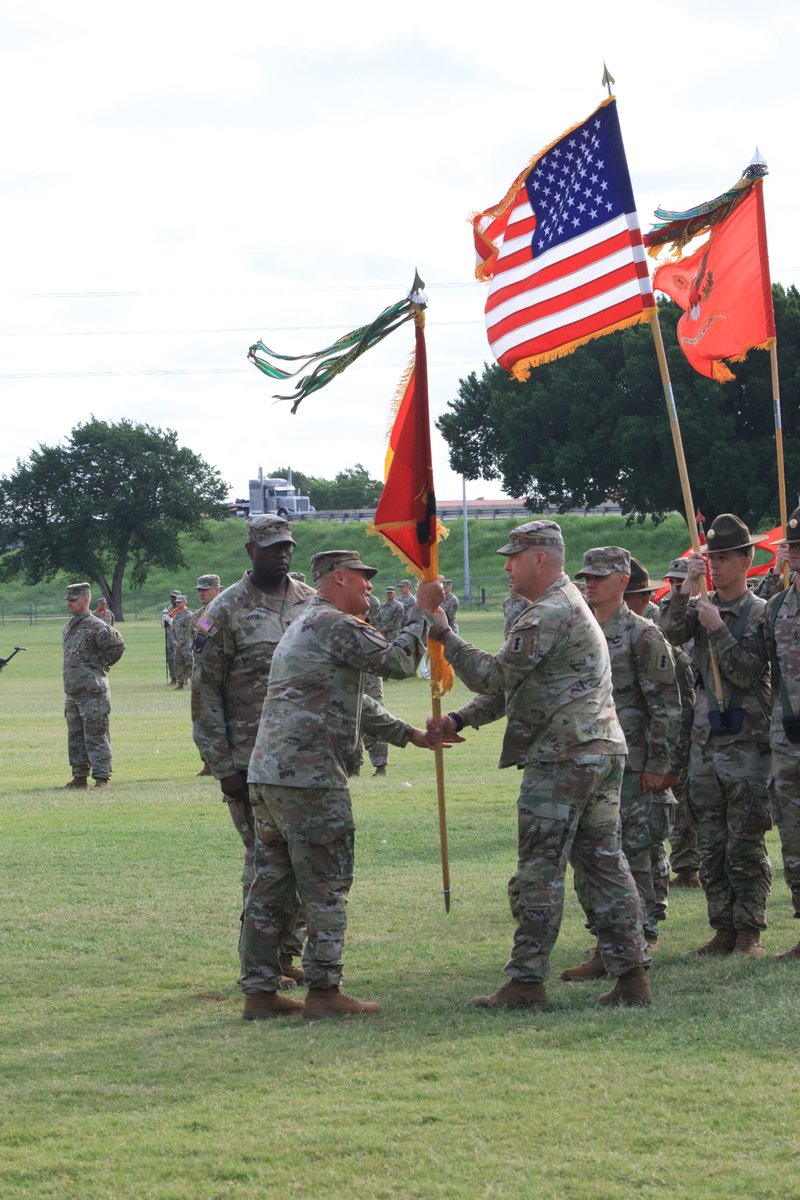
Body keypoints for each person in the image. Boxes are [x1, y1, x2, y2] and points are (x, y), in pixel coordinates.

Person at [427, 521, 652, 1009]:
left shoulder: (548, 612)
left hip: (563, 759)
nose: (506, 566)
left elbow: (494, 673)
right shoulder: (568, 606)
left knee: (540, 870)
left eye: (514, 556)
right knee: (604, 866)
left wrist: (444, 632)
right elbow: (519, 688)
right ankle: (632, 979)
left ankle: (527, 982)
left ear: (540, 559)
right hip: (596, 752)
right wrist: (462, 717)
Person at [239, 551, 445, 1020]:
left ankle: (260, 992)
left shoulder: (306, 625)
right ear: (339, 579)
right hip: (309, 778)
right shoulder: (333, 623)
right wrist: (423, 611)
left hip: (272, 776)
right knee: (327, 885)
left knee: (271, 886)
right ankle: (324, 990)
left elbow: (353, 703)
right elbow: (397, 662)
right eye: (364, 583)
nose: (370, 591)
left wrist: (409, 734)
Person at [191, 515, 315, 982]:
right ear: (250, 551)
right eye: (269, 548)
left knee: (306, 860)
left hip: (305, 757)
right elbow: (204, 693)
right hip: (249, 761)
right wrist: (222, 765)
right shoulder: (223, 611)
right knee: (265, 864)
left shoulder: (310, 603)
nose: (280, 554)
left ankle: (287, 954)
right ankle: (261, 963)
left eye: (286, 546)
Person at [559, 548, 679, 978]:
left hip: (634, 766)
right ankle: (606, 941)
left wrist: (660, 764)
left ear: (623, 580)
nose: (589, 583)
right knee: (594, 856)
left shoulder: (642, 635)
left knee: (636, 852)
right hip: (591, 762)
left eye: (599, 577)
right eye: (586, 577)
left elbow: (666, 705)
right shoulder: (580, 630)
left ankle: (637, 944)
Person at [661, 513, 772, 956]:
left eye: (724, 558)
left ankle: (749, 930)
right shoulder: (701, 604)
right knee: (710, 842)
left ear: (747, 560)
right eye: (711, 559)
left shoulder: (760, 613)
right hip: (706, 741)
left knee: (744, 841)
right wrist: (686, 590)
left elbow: (747, 671)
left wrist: (718, 630)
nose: (716, 566)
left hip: (746, 742)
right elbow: (669, 632)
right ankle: (722, 926)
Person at [762, 506, 800, 958]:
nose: (793, 551)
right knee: (793, 837)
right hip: (787, 738)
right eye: (792, 546)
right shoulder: (777, 606)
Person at [657, 558, 702, 889]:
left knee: (694, 795)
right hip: (673, 715)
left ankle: (692, 865)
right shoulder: (667, 613)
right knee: (676, 792)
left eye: (682, 579)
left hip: (703, 714)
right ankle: (685, 866)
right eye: (672, 580)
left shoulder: (708, 610)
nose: (676, 584)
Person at [62, 581, 125, 789]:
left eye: (74, 599)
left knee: (96, 735)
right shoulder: (69, 627)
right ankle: (79, 777)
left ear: (86, 599)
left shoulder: (98, 626)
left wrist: (99, 665)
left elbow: (117, 647)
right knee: (75, 737)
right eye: (68, 600)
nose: (69, 603)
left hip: (93, 692)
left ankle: (101, 778)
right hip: (73, 692)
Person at [191, 575, 222, 776]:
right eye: (199, 589)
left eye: (206, 589)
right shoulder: (198, 616)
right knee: (201, 722)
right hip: (202, 676)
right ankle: (208, 764)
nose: (201, 592)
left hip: (221, 675)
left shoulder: (226, 612)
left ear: (217, 589)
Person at [169, 594, 193, 689]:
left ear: (185, 602)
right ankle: (180, 682)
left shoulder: (190, 615)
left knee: (189, 663)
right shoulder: (176, 616)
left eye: (180, 602)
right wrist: (175, 642)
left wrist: (184, 642)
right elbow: (172, 631)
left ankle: (193, 682)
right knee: (178, 663)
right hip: (178, 645)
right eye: (177, 602)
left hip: (187, 644)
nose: (178, 603)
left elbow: (192, 630)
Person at [162, 588, 180, 684]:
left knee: (180, 657)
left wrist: (169, 619)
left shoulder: (182, 609)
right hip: (170, 636)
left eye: (174, 597)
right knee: (170, 657)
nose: (172, 599)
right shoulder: (168, 609)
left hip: (180, 636)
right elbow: (165, 625)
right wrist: (164, 619)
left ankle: (182, 677)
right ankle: (173, 677)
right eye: (172, 597)